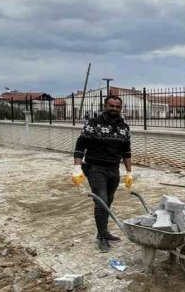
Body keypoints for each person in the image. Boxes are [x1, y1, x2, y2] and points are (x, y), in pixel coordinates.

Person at [72, 96, 133, 253]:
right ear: (106, 105)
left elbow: (126, 151)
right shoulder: (93, 124)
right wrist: (77, 168)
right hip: (95, 168)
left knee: (108, 201)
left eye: (117, 106)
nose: (114, 108)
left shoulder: (124, 127)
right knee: (101, 202)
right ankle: (102, 237)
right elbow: (80, 145)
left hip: (114, 169)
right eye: (111, 105)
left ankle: (104, 231)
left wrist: (129, 172)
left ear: (121, 108)